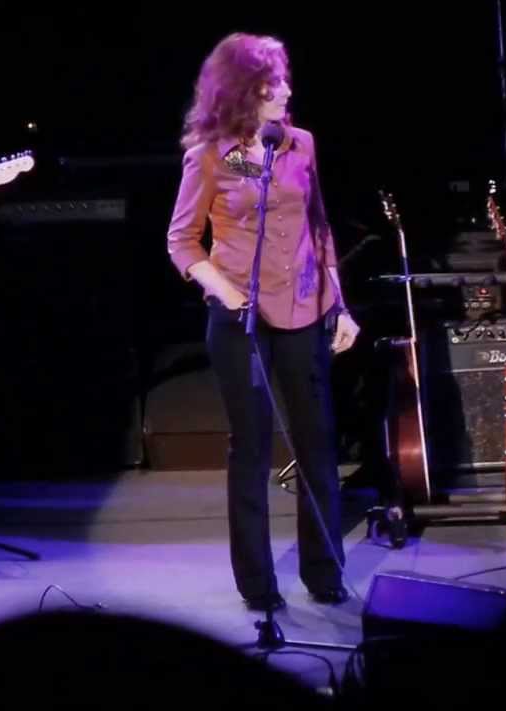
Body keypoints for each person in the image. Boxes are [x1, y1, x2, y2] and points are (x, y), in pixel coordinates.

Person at [166, 32, 360, 611]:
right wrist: (226, 291)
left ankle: (324, 572)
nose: (286, 91)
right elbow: (181, 242)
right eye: (273, 84)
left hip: (304, 307)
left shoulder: (301, 144)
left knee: (317, 444)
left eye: (284, 80)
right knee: (250, 449)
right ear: (243, 91)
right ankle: (257, 584)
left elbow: (319, 228)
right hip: (240, 319)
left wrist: (340, 304)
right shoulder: (209, 155)